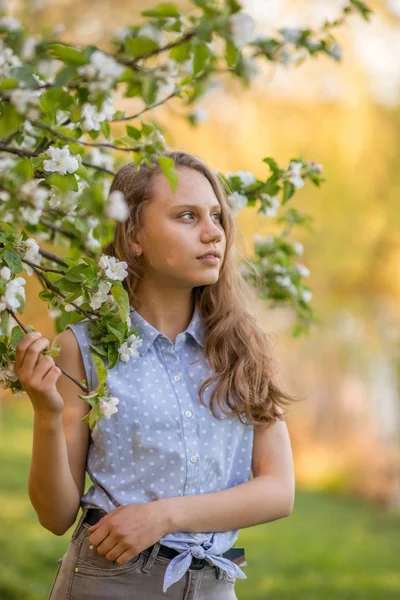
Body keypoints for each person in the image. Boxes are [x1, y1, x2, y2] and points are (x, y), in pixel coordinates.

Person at [17, 150, 297, 600]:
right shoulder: (84, 348)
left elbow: (278, 491)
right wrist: (48, 415)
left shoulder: (244, 348)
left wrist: (164, 516)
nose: (213, 233)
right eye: (187, 216)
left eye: (217, 217)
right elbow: (54, 516)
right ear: (134, 238)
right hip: (110, 580)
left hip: (213, 585)